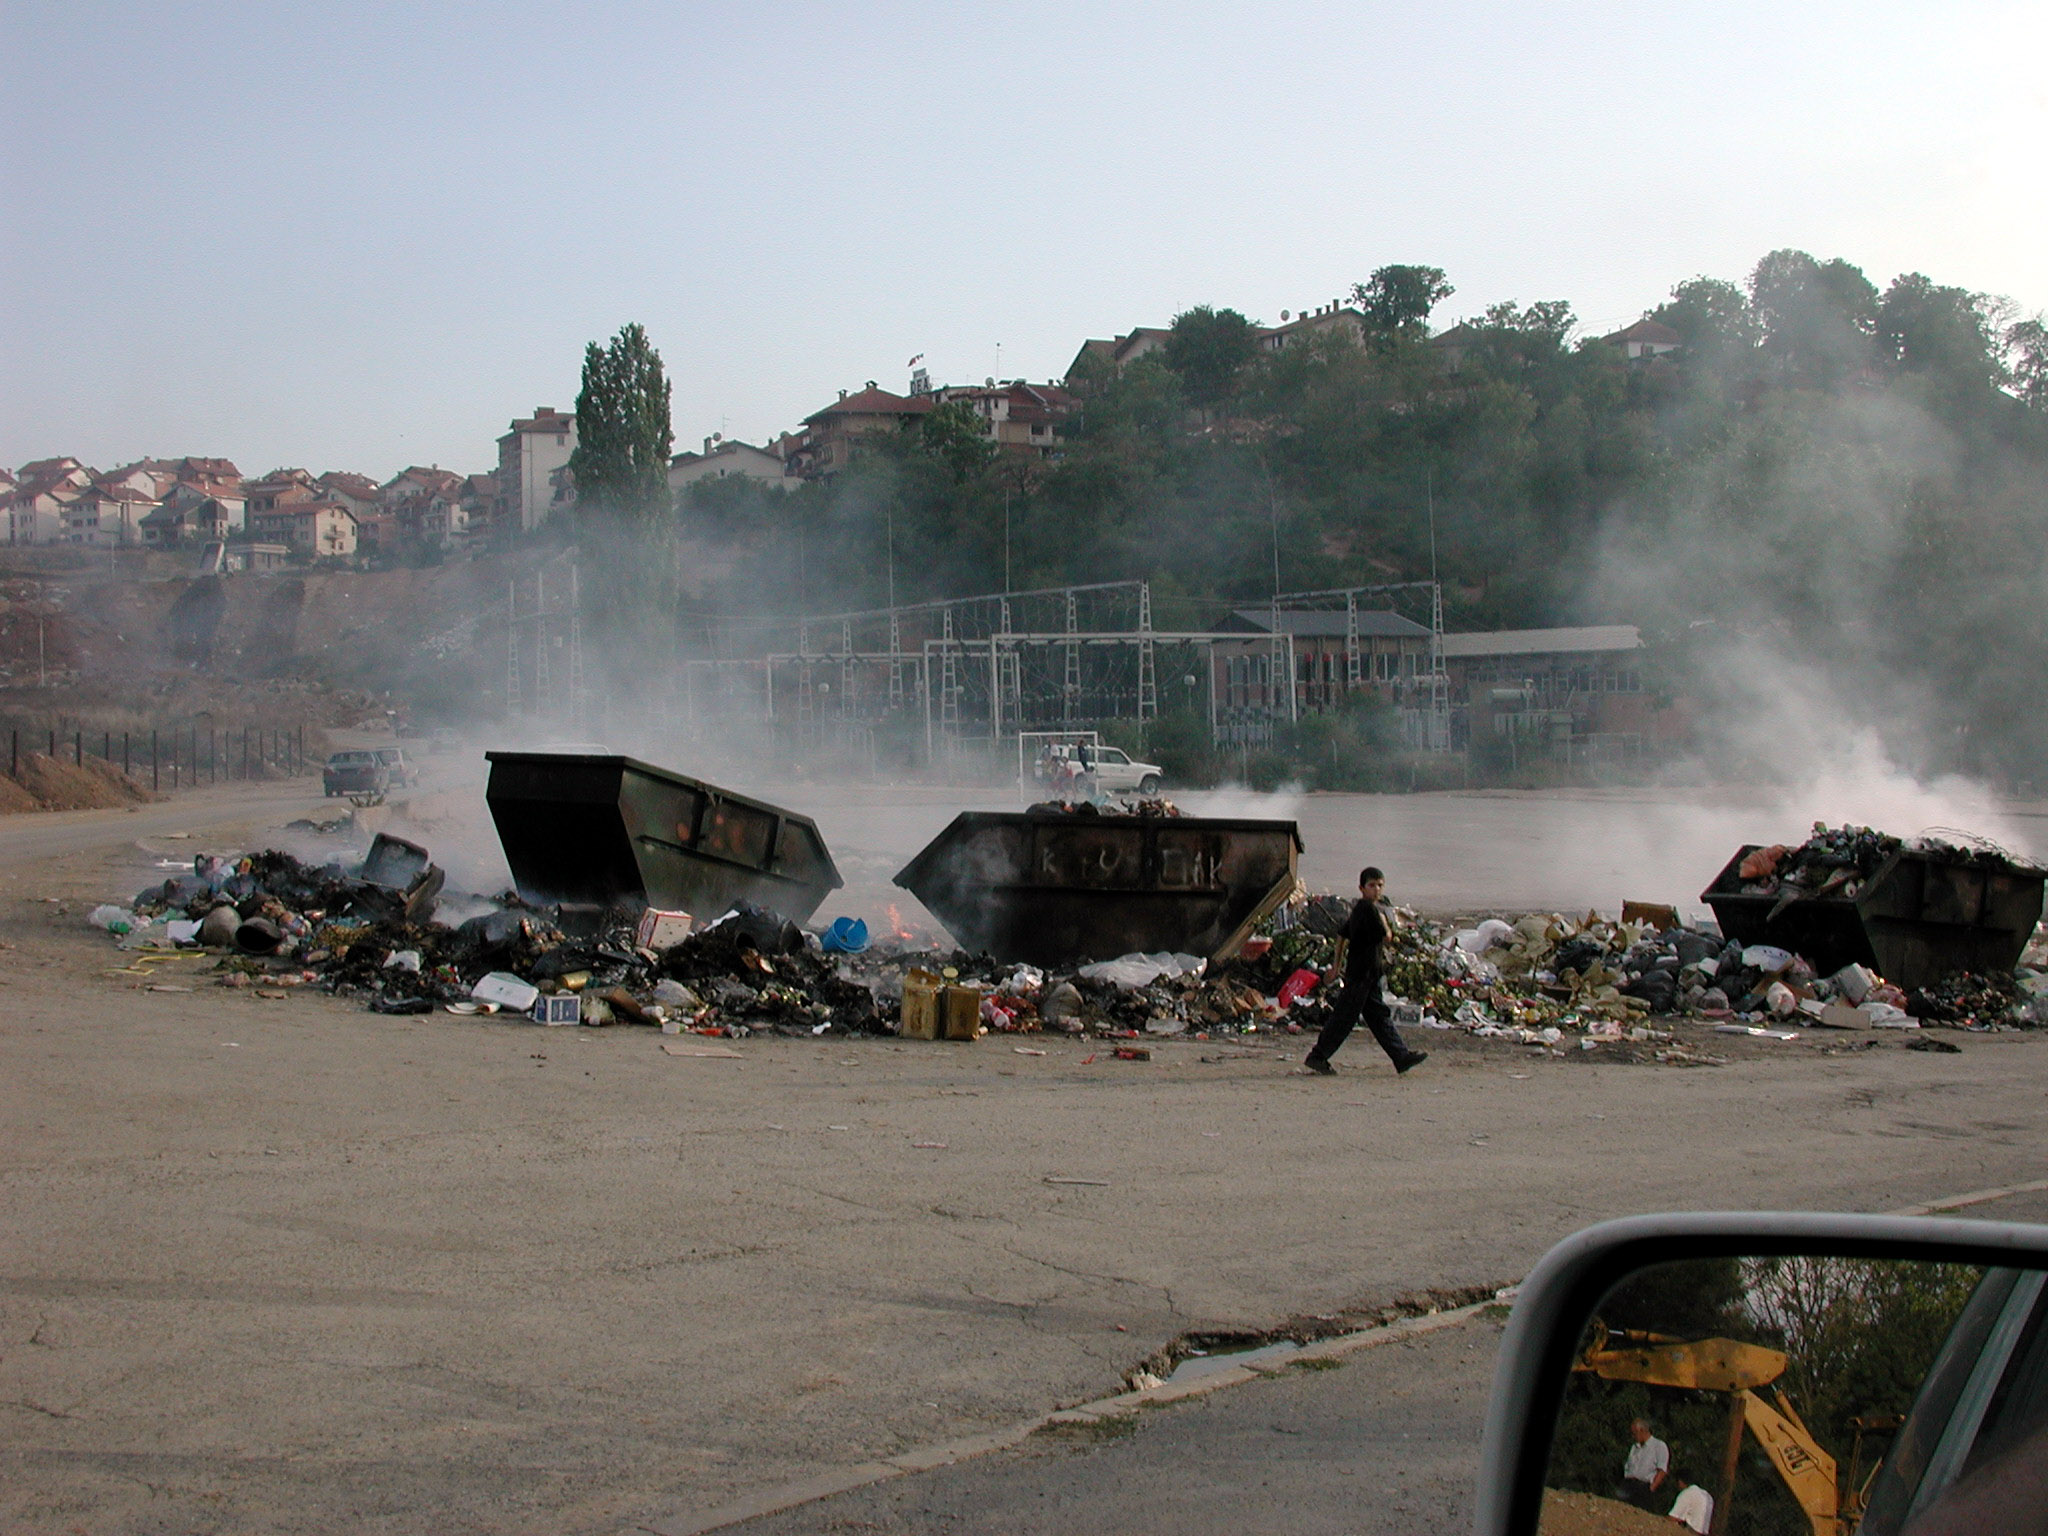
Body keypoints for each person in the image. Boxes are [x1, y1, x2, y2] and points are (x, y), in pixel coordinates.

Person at [1303, 867, 1427, 1075]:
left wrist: (1336, 965)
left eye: (1380, 885)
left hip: (1368, 974)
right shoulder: (1369, 910)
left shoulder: (1360, 909)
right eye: (1371, 886)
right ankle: (1318, 1056)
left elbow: (1342, 935)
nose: (1376, 890)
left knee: (1378, 1017)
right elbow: (1386, 937)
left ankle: (1401, 1057)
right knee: (1344, 1018)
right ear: (1362, 888)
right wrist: (1385, 922)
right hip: (1361, 974)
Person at [1617, 1418, 1670, 1510]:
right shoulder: (1634, 1447)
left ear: (1642, 1431)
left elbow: (1662, 1470)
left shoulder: (1658, 1446)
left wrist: (1652, 1487)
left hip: (1643, 1487)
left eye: (1634, 1433)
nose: (1633, 1436)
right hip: (1628, 1484)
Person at [1666, 1469, 1713, 1534]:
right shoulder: (1708, 1496)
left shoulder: (1687, 1493)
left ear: (1680, 1481)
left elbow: (1672, 1518)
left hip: (1690, 1532)